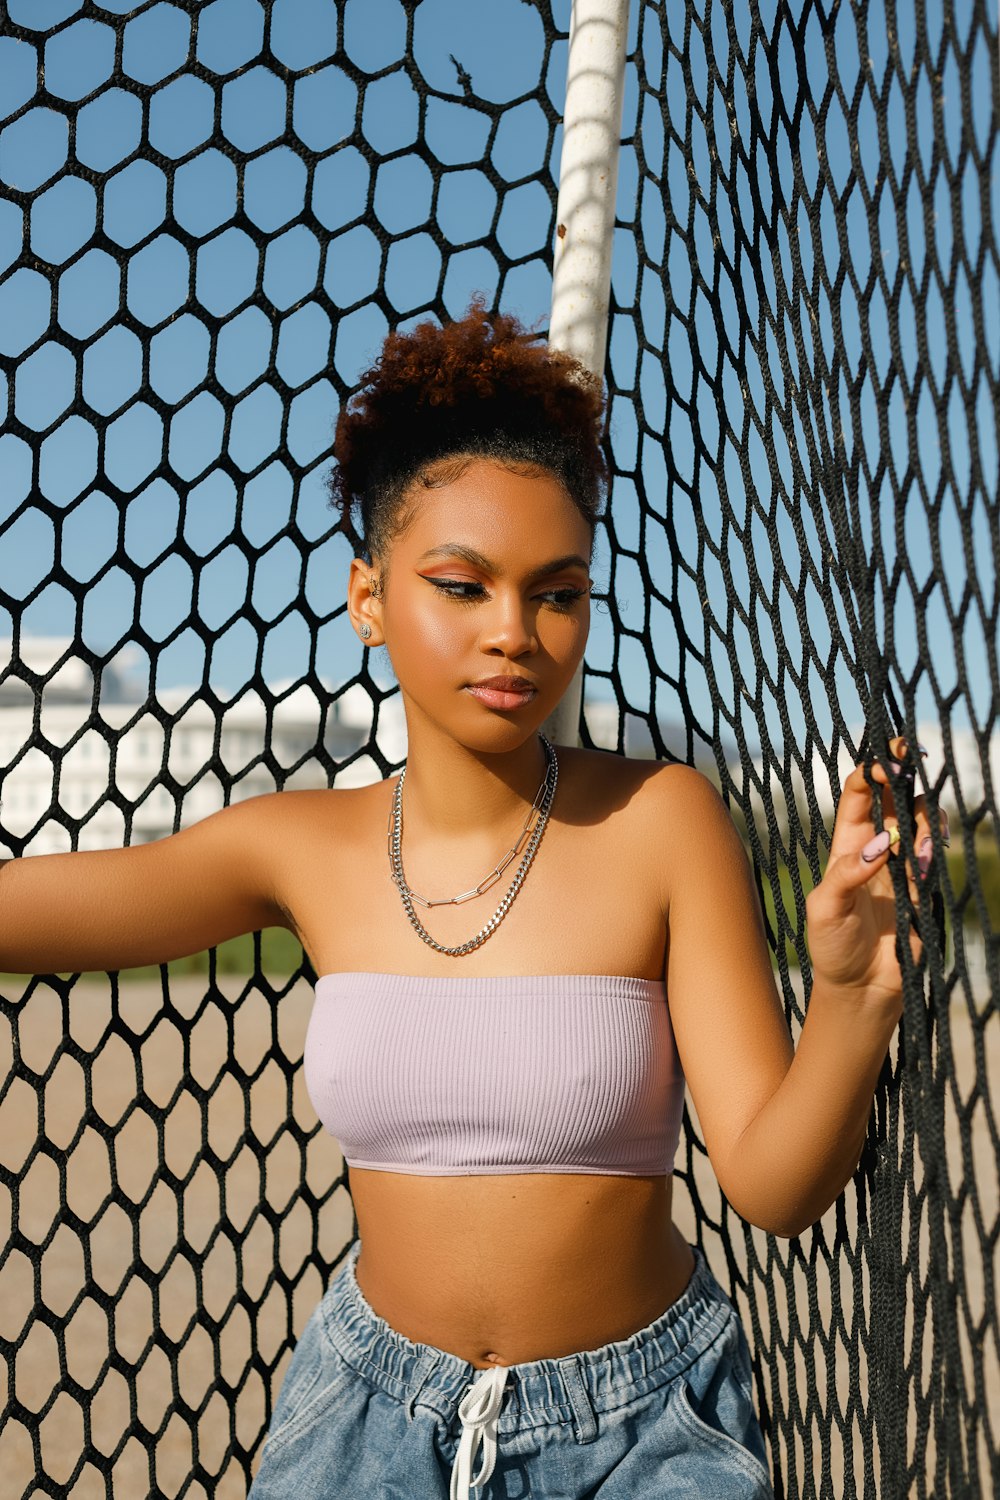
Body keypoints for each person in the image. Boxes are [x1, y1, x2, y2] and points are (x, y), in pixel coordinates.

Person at [0, 303, 942, 1499]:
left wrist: (854, 1000)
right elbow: (35, 909)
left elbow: (773, 1185)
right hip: (363, 1419)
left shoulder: (663, 818)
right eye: (461, 583)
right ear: (369, 598)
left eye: (555, 592)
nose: (513, 634)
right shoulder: (300, 846)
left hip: (644, 1433)